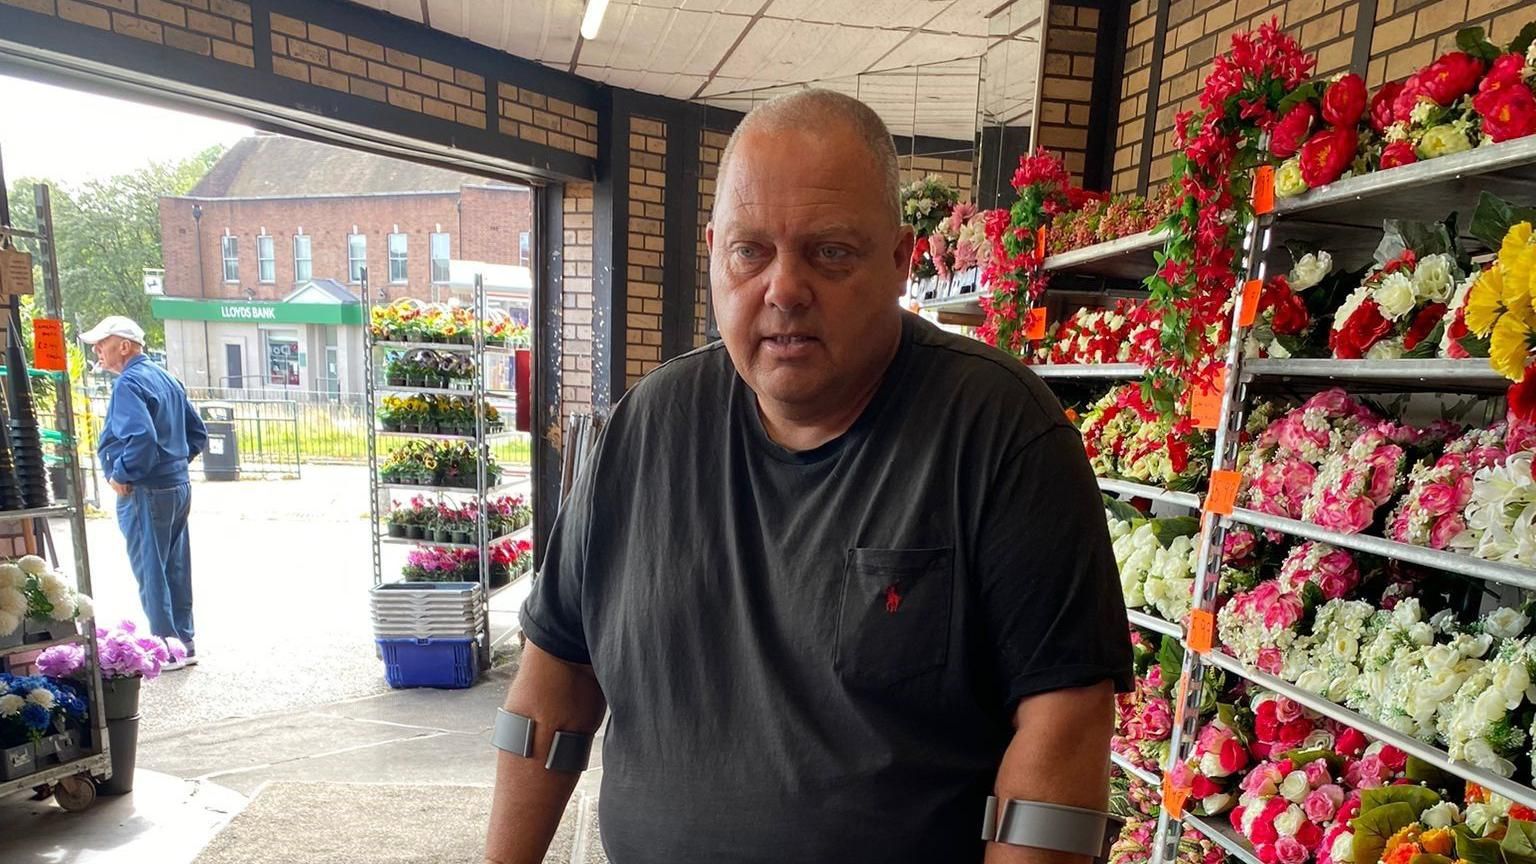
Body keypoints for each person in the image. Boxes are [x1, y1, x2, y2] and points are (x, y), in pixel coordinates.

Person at [485, 90, 1132, 864]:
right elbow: (554, 685)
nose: (784, 289)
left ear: (899, 261)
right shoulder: (644, 430)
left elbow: (1063, 733)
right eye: (751, 251)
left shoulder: (1002, 437)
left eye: (829, 252)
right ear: (715, 251)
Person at [83, 316, 207, 670]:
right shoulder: (167, 378)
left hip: (146, 489)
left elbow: (141, 438)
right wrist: (175, 463)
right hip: (176, 485)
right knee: (176, 566)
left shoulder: (128, 385)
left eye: (102, 343)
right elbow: (196, 434)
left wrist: (122, 472)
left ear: (124, 346)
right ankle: (184, 642)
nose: (97, 351)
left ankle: (165, 648)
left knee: (152, 570)